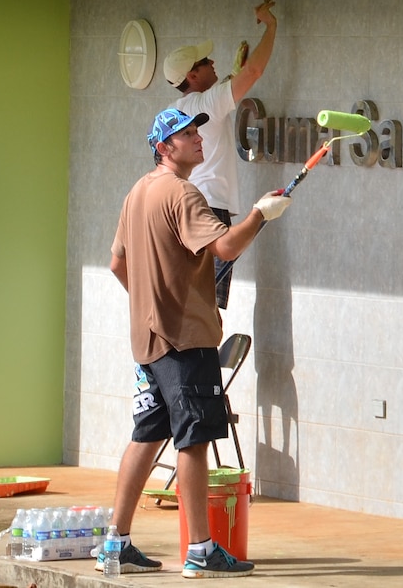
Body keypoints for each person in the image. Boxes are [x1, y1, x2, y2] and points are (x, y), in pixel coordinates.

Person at [106, 107, 292, 577]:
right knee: (195, 439)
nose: (197, 138)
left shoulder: (138, 192)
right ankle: (201, 551)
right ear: (162, 147)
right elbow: (227, 247)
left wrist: (148, 304)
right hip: (185, 342)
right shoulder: (183, 193)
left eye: (196, 131)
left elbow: (116, 264)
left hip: (150, 342)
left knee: (147, 436)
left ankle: (115, 545)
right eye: (184, 134)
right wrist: (259, 215)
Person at [168, 0, 280, 308]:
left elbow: (226, 88)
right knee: (207, 309)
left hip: (188, 210)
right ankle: (204, 359)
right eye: (205, 62)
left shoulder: (179, 107)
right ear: (192, 75)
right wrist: (271, 26)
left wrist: (232, 74)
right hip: (209, 212)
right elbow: (254, 73)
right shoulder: (207, 102)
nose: (212, 62)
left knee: (195, 303)